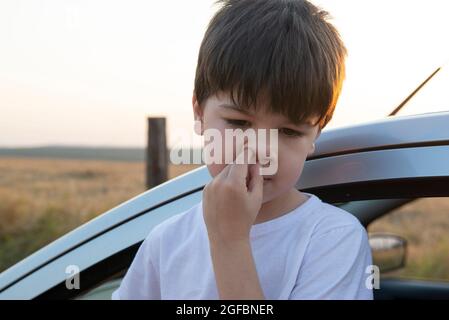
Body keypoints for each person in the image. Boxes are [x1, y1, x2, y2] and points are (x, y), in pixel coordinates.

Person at [112, 0, 373, 300]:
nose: (261, 150)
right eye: (238, 122)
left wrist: (230, 242)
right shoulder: (166, 241)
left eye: (289, 131)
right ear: (199, 112)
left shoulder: (332, 239)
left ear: (316, 133)